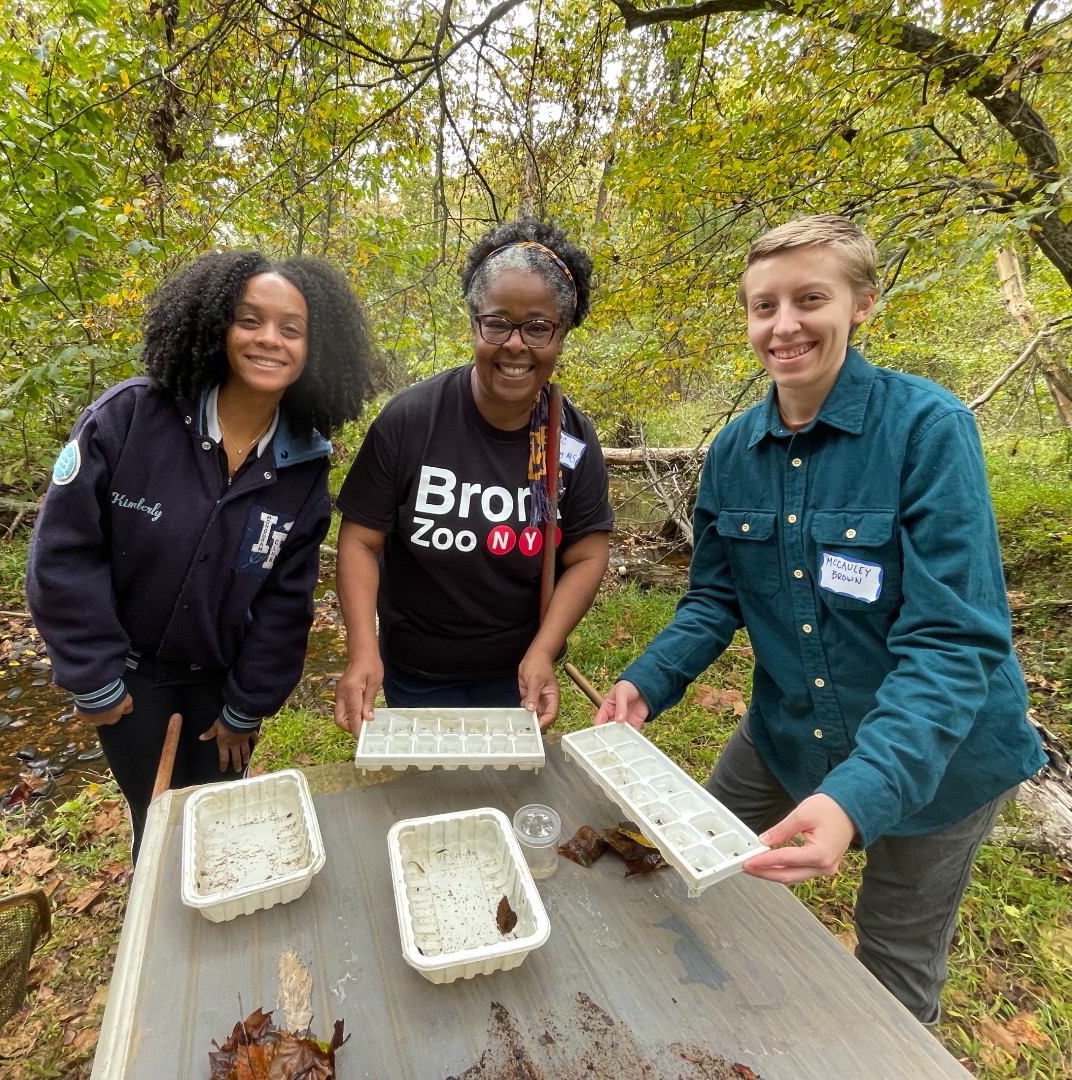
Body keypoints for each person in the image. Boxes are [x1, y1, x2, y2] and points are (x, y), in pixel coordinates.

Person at [594, 215, 1046, 1025]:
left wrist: (856, 796)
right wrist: (646, 681)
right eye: (763, 306)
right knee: (698, 858)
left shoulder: (927, 430)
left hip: (942, 753)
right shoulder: (733, 452)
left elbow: (952, 641)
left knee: (893, 965)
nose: (784, 325)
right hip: (788, 727)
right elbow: (715, 597)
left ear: (861, 303)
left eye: (810, 299)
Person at [26, 251, 374, 860]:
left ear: (314, 350)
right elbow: (65, 556)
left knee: (219, 818)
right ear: (218, 326)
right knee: (158, 823)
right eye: (250, 320)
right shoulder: (130, 418)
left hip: (221, 681)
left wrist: (247, 706)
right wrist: (94, 677)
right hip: (131, 677)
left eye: (291, 329)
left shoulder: (303, 467)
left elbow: (286, 604)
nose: (270, 339)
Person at [333, 218, 613, 737]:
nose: (515, 344)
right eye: (497, 323)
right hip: (417, 669)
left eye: (538, 327)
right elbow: (360, 540)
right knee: (431, 785)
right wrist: (363, 651)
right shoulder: (410, 421)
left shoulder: (571, 441)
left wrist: (544, 650)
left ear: (562, 334)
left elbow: (588, 554)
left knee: (501, 785)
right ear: (474, 323)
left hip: (518, 674)